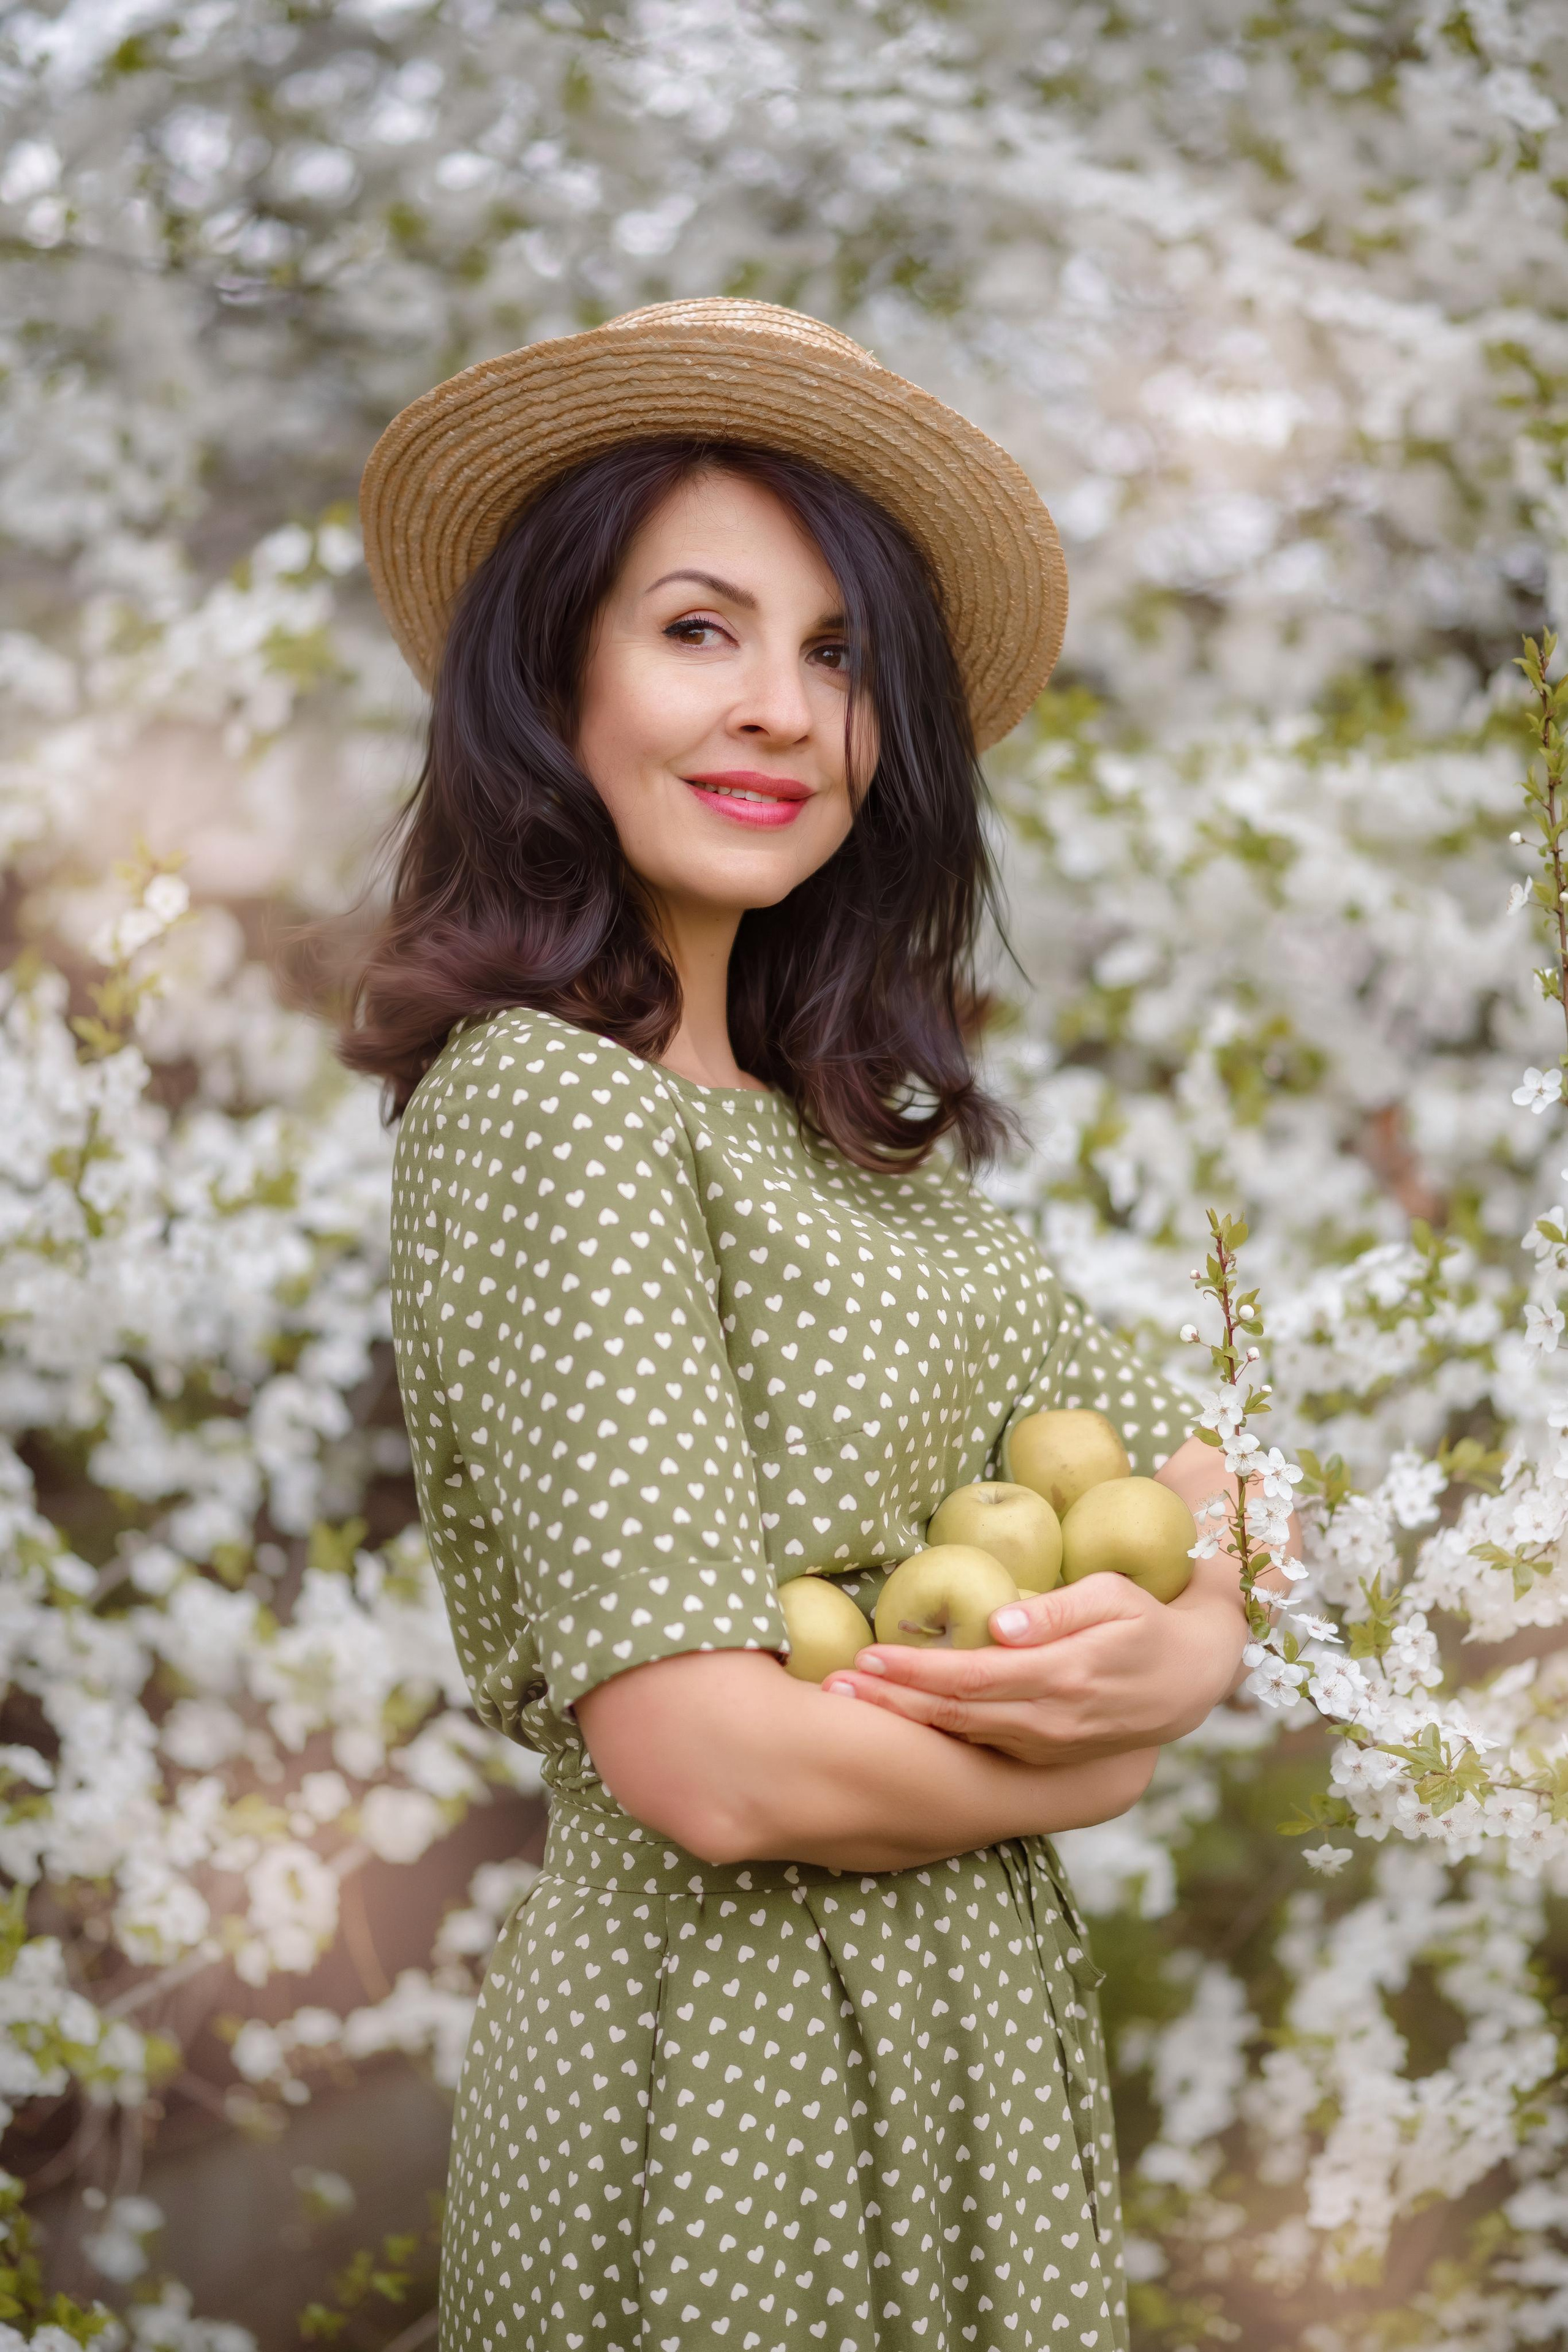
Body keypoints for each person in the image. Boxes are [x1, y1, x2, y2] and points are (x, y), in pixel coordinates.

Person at [345, 300, 1275, 2352]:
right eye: (699, 628)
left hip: (966, 2041)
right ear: (555, 664)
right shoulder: (547, 1105)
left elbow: (1193, 1467)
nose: (780, 707)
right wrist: (1101, 1773)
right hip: (723, 2072)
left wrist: (1187, 1646)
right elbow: (713, 1765)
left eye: (838, 654)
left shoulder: (857, 1138)